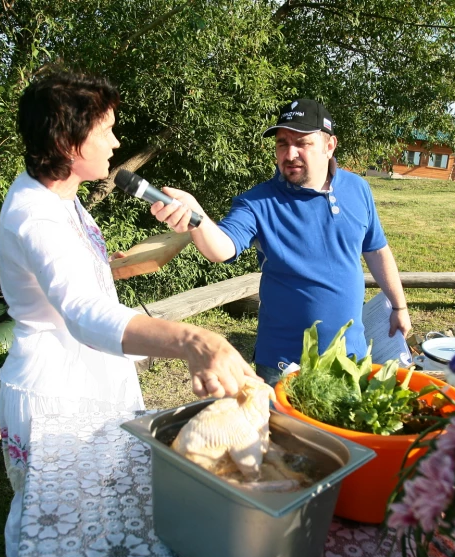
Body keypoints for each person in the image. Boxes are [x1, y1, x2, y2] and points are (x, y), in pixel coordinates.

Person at [0, 70, 257, 557]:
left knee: (95, 519)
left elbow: (84, 277)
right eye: (106, 130)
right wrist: (194, 340)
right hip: (55, 396)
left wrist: (173, 238)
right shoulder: (36, 217)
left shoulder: (61, 199)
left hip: (93, 380)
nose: (117, 142)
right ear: (70, 143)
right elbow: (83, 313)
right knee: (47, 527)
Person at [150, 98, 412, 386]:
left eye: (302, 142)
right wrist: (196, 218)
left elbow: (376, 249)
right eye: (282, 143)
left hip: (350, 357)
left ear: (329, 146)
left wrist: (399, 307)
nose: (290, 153)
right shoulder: (258, 202)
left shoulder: (357, 188)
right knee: (282, 432)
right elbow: (221, 247)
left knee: (343, 433)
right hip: (284, 365)